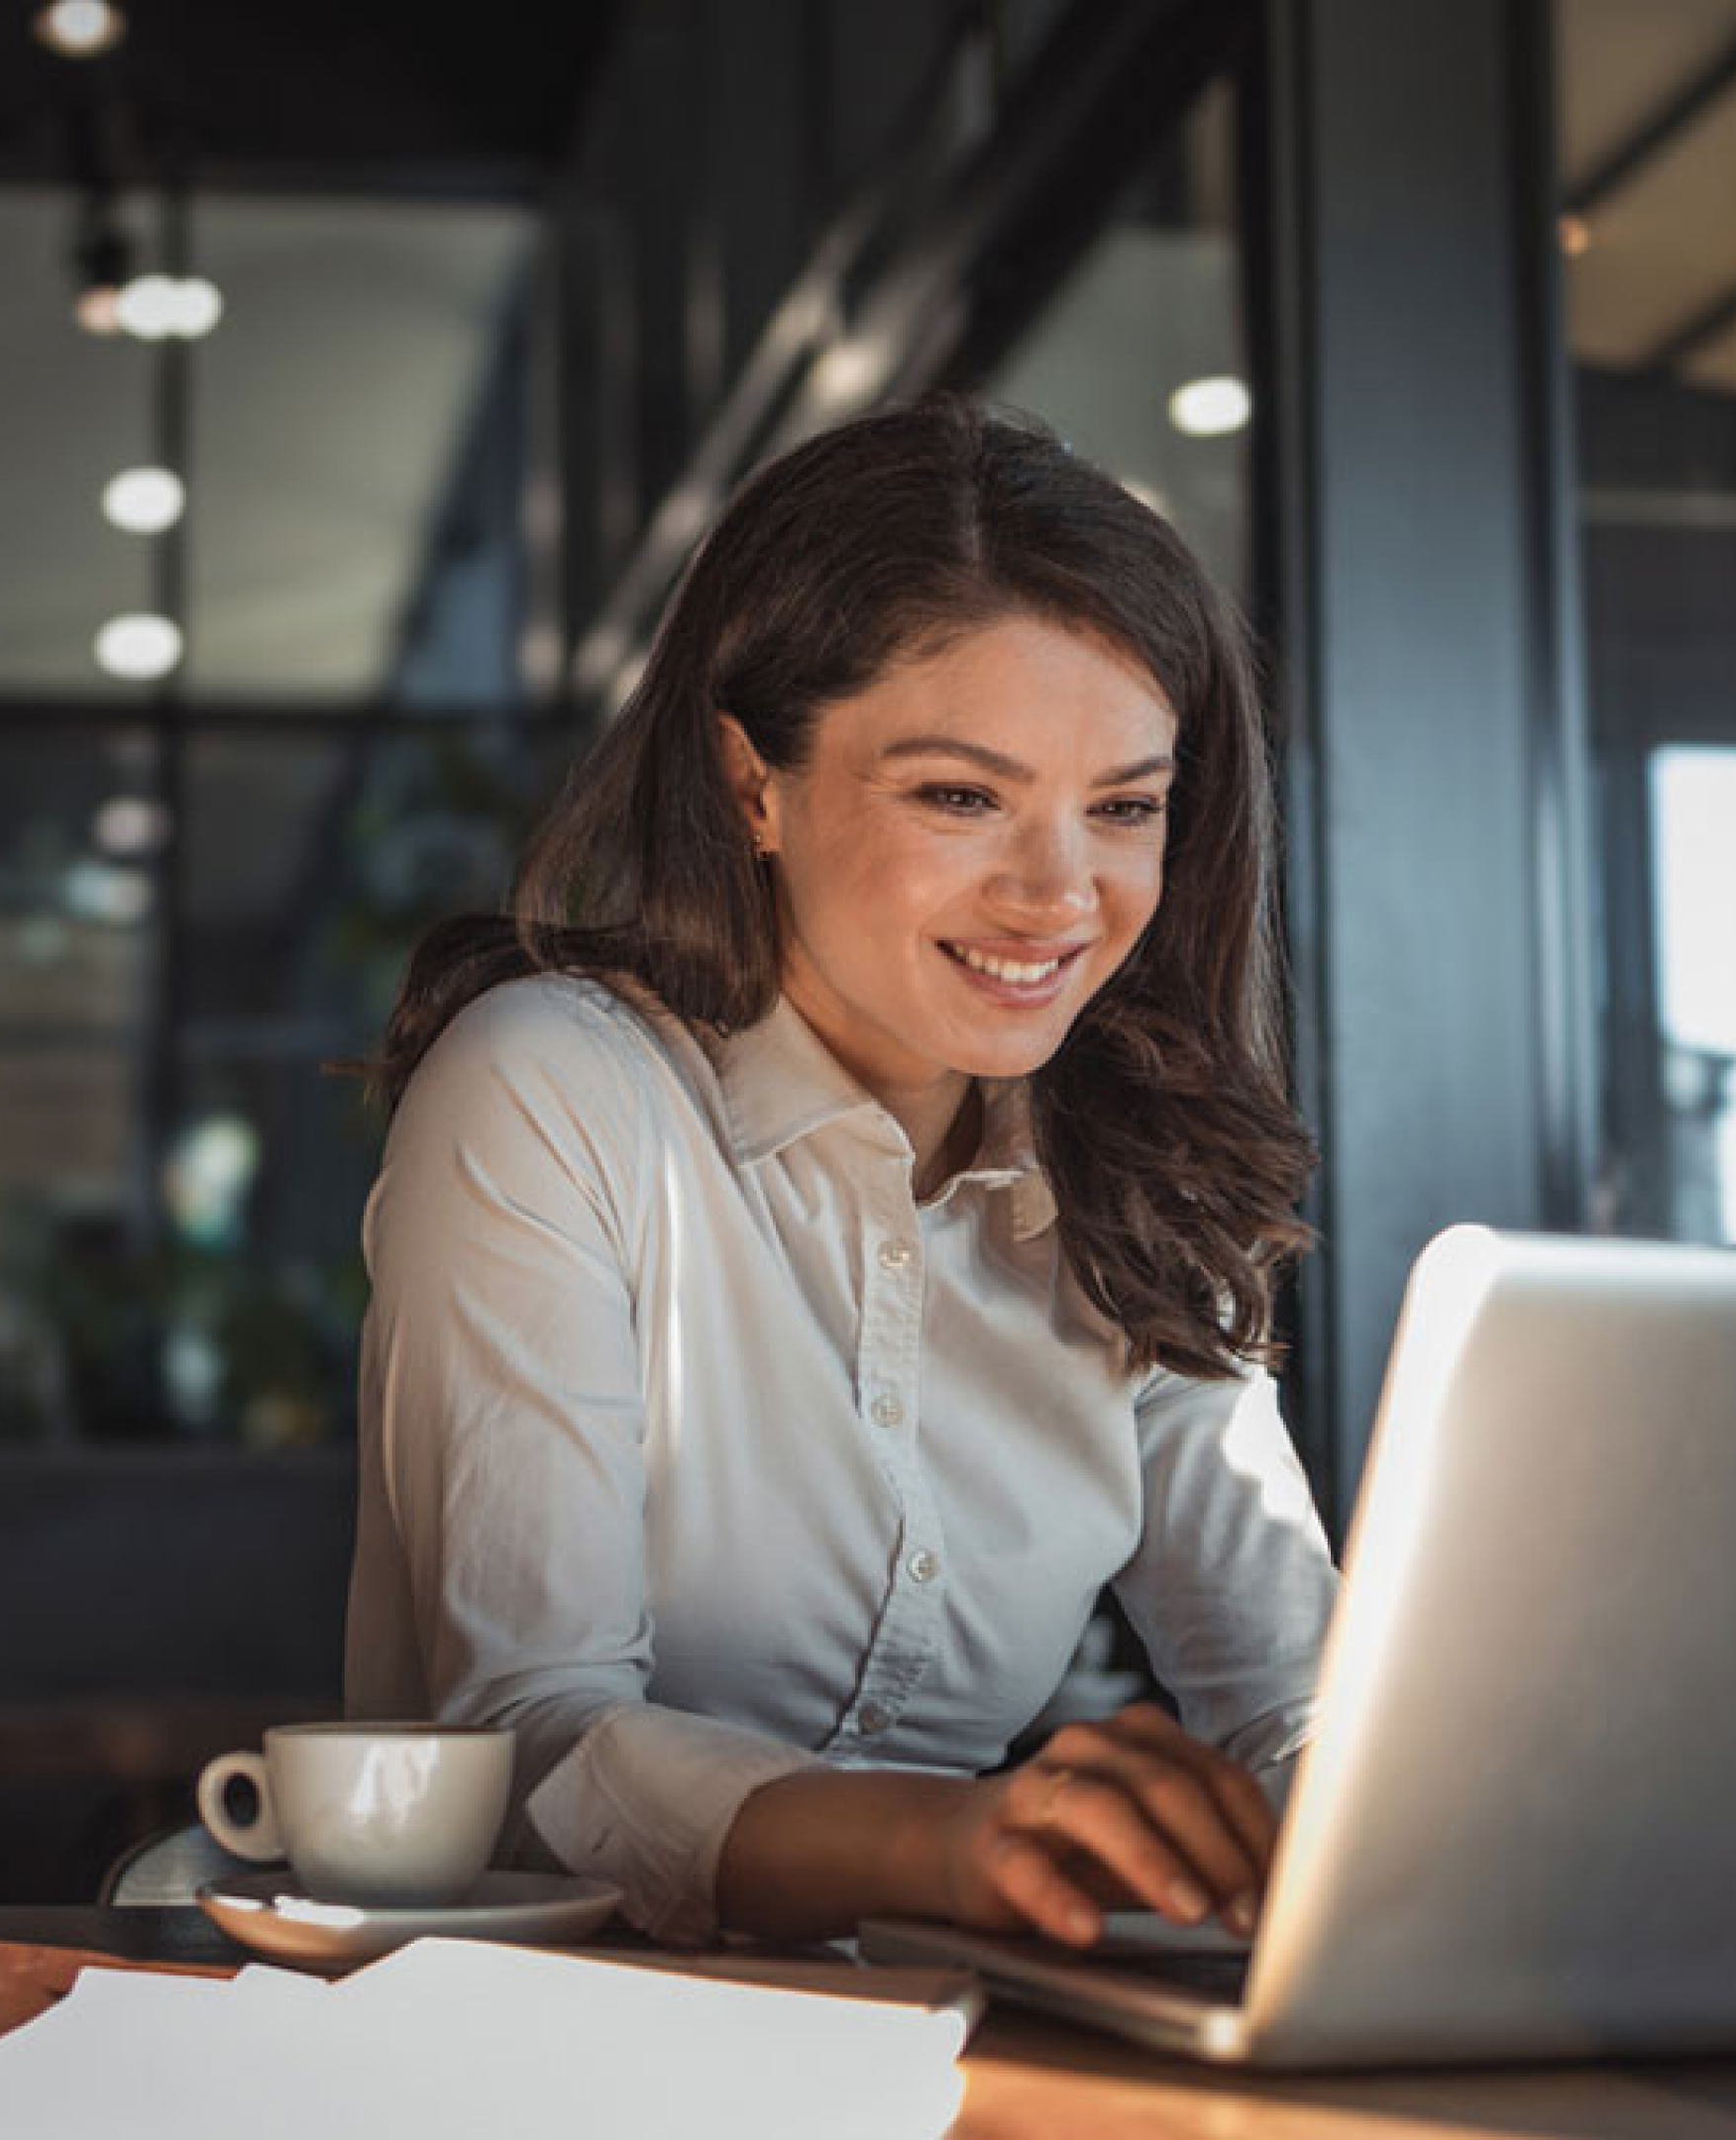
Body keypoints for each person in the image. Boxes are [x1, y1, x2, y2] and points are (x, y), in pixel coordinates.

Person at [343, 397, 1338, 1951]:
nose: (1058, 895)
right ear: (753, 783)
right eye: (960, 796)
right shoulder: (552, 1088)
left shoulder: (1141, 1181)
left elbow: (1292, 1697)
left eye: (1126, 808)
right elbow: (530, 1740)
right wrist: (948, 1843)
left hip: (949, 2043)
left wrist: (1421, 1835)